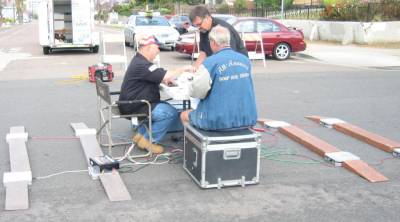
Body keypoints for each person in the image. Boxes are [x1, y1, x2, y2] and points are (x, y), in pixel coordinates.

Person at [119, 34, 192, 154]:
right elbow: (163, 74)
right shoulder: (142, 64)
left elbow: (156, 73)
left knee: (163, 107)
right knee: (169, 112)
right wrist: (184, 68)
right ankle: (149, 142)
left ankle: (141, 136)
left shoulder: (139, 61)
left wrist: (164, 79)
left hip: (133, 102)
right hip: (136, 105)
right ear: (148, 48)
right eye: (156, 49)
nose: (158, 52)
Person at [180, 25, 257, 130]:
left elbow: (196, 93)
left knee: (184, 115)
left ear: (213, 42)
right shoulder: (245, 60)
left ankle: (191, 143)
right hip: (247, 118)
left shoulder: (209, 63)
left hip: (216, 121)